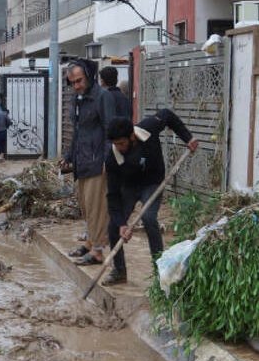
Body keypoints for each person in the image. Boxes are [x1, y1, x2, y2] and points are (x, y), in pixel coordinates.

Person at [103, 110, 198, 285]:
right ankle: (119, 271)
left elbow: (168, 115)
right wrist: (122, 225)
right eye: (115, 144)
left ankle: (160, 272)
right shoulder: (112, 159)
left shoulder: (148, 127)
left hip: (153, 183)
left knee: (148, 218)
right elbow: (113, 195)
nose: (119, 148)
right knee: (114, 226)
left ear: (132, 136)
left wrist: (188, 138)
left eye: (122, 143)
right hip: (129, 187)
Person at [60, 58, 116, 266]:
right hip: (81, 162)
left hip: (97, 161)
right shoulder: (78, 100)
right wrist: (68, 156)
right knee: (85, 205)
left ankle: (98, 251)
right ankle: (91, 242)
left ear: (89, 77)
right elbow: (77, 131)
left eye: (79, 81)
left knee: (97, 207)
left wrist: (106, 159)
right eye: (72, 83)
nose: (76, 86)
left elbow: (110, 129)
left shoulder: (103, 97)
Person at [0, 92, 12, 161]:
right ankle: (2, 157)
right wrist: (9, 124)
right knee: (3, 144)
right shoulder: (4, 110)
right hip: (4, 130)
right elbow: (9, 120)